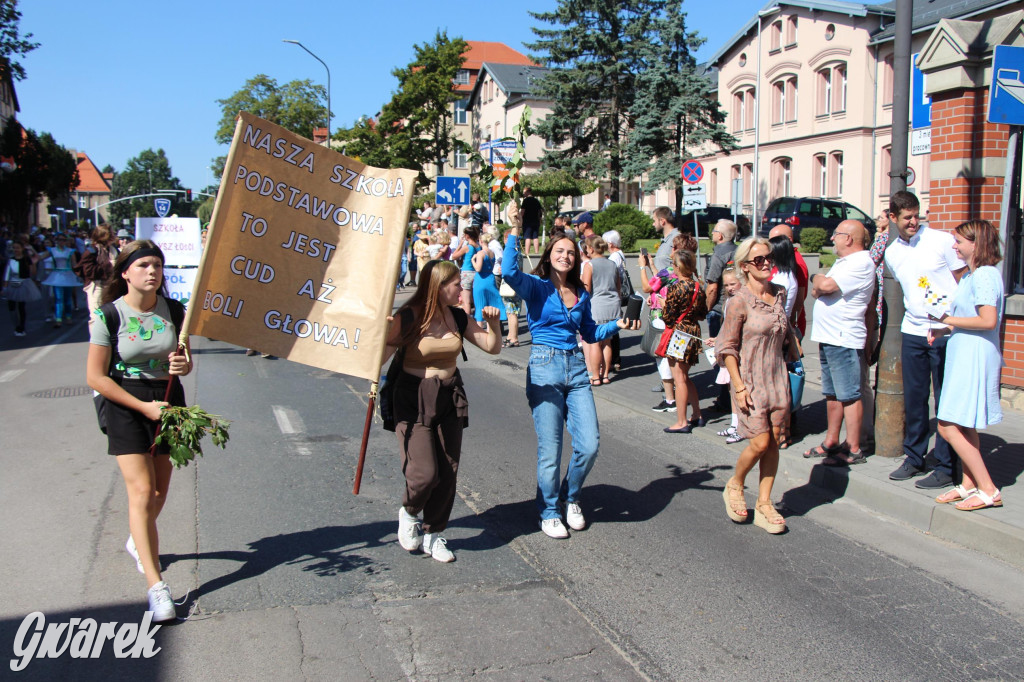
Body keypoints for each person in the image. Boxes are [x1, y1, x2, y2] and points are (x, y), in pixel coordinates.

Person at [502, 226, 640, 539]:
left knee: (589, 444)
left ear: (577, 258)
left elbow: (590, 334)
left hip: (576, 368)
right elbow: (510, 271)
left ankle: (570, 496)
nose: (566, 256)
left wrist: (616, 325)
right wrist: (513, 232)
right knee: (551, 449)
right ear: (549, 256)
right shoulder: (537, 287)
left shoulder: (582, 293)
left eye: (571, 252)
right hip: (544, 366)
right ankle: (548, 511)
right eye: (559, 251)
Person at [86, 240, 192, 622]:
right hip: (125, 403)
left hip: (168, 399)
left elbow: (185, 364)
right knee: (142, 491)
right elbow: (95, 376)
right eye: (144, 265)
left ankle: (139, 536)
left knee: (160, 492)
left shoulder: (176, 311)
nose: (153, 271)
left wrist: (181, 367)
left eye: (158, 265)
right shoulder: (108, 316)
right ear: (126, 272)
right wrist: (143, 406)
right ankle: (156, 587)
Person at [385, 260, 502, 562]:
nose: (461, 289)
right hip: (413, 397)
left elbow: (492, 347)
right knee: (424, 473)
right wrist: (381, 332)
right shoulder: (408, 317)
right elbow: (379, 356)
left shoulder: (458, 317)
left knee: (448, 471)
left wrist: (494, 324)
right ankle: (410, 512)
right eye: (455, 284)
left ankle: (434, 534)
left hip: (449, 394)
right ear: (438, 286)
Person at [716, 237, 801, 534]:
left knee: (775, 440)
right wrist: (738, 387)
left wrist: (793, 347)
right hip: (749, 379)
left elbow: (784, 328)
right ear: (744, 267)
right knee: (760, 441)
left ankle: (765, 503)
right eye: (758, 260)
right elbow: (726, 348)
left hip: (777, 376)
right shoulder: (738, 301)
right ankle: (735, 483)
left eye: (768, 258)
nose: (766, 263)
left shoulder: (780, 293)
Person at [884, 191, 967, 489]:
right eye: (906, 217)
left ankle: (946, 466)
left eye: (916, 215)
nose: (913, 221)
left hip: (945, 332)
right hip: (914, 330)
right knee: (915, 399)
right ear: (893, 218)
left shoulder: (941, 241)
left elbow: (962, 279)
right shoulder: (892, 252)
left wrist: (951, 320)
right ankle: (914, 457)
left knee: (944, 400)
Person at [931, 220, 1005, 511]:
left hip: (974, 356)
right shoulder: (972, 276)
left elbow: (988, 321)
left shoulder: (985, 275)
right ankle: (969, 483)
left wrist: (946, 321)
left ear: (976, 244)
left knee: (947, 425)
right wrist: (944, 330)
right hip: (965, 352)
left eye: (959, 241)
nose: (954, 246)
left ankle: (989, 489)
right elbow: (969, 319)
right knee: (962, 422)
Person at [804, 220, 876, 465]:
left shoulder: (861, 262)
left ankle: (854, 448)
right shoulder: (844, 262)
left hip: (844, 337)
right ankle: (832, 440)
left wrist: (817, 278)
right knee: (832, 394)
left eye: (835, 234)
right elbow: (817, 292)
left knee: (849, 395)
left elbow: (824, 285)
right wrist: (820, 284)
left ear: (849, 238)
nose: (832, 238)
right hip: (830, 336)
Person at [659, 248, 708, 433]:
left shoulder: (676, 288)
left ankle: (681, 421)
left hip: (678, 334)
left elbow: (668, 317)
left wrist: (663, 303)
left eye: (673, 264)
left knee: (679, 379)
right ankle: (697, 414)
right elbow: (703, 314)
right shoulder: (698, 287)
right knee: (685, 377)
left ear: (679, 267)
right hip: (692, 331)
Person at [709, 267, 744, 443]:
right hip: (728, 348)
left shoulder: (741, 301)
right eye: (727, 285)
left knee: (738, 389)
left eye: (733, 284)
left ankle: (741, 427)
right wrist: (717, 339)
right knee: (731, 389)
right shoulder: (729, 301)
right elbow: (727, 327)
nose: (730, 287)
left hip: (737, 351)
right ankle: (734, 423)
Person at [581, 235, 621, 385]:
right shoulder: (612, 264)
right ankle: (605, 375)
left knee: (595, 342)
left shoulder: (589, 265)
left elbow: (586, 290)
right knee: (607, 342)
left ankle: (595, 376)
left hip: (597, 305)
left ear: (591, 248)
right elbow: (618, 287)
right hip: (613, 305)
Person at [767, 224, 809, 337]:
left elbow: (799, 301)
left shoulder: (797, 264)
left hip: (786, 326)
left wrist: (790, 330)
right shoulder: (782, 267)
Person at [704, 219, 738, 337]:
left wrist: (707, 308)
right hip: (735, 306)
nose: (712, 233)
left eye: (714, 231)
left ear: (720, 236)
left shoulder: (718, 256)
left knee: (718, 349)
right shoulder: (739, 251)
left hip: (718, 309)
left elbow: (712, 287)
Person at [79, 226, 120, 323]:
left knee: (112, 315)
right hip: (97, 286)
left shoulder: (113, 250)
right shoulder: (92, 251)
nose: (113, 236)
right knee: (96, 317)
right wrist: (110, 266)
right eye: (111, 234)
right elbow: (88, 271)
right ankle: (97, 337)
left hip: (111, 285)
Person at [42, 233, 81, 327]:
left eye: (63, 240)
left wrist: (79, 273)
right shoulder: (52, 250)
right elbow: (40, 257)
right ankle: (58, 318)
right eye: (59, 239)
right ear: (56, 241)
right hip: (56, 275)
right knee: (58, 298)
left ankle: (68, 316)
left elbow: (74, 264)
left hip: (67, 275)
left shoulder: (70, 251)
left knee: (67, 297)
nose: (61, 241)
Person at [3, 241, 41, 336]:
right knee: (11, 307)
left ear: (22, 249)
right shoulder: (11, 260)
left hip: (23, 283)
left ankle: (21, 327)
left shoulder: (26, 259)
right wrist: (5, 286)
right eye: (14, 248)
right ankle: (16, 325)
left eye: (18, 248)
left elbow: (33, 272)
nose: (16, 250)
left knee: (21, 306)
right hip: (12, 284)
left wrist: (32, 262)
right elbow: (7, 274)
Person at [471, 233, 507, 327]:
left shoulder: (480, 253)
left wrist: (473, 261)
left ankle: (479, 327)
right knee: (492, 302)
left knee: (480, 305)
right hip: (490, 278)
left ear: (481, 241)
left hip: (481, 280)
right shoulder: (492, 252)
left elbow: (478, 268)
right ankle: (491, 328)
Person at [450, 225, 482, 317]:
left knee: (466, 301)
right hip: (476, 273)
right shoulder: (478, 246)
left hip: (466, 273)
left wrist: (460, 244)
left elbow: (454, 256)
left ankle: (468, 321)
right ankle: (477, 319)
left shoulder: (468, 247)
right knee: (474, 300)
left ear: (467, 236)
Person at [651, 206, 680, 271]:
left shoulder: (677, 238)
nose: (653, 224)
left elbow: (683, 268)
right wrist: (650, 264)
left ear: (662, 221)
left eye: (654, 221)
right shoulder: (665, 240)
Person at [521, 186, 543, 256]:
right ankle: (537, 252)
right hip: (535, 221)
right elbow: (540, 211)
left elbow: (522, 211)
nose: (523, 194)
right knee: (535, 237)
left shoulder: (526, 201)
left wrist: (519, 218)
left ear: (528, 192)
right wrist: (539, 220)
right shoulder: (536, 200)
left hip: (527, 222)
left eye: (524, 192)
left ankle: (526, 253)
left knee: (527, 237)